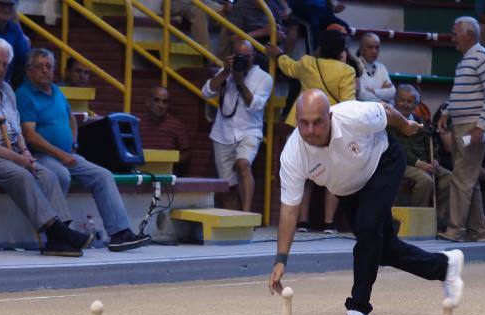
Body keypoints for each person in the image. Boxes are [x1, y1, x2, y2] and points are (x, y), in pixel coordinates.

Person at [268, 89, 465, 315]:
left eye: (317, 122)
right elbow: (289, 209)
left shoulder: (352, 115)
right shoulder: (293, 155)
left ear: (329, 116)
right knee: (382, 249)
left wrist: (405, 127)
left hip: (383, 162)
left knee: (368, 229)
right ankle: (446, 266)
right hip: (349, 190)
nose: (310, 131)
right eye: (303, 123)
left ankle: (358, 308)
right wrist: (281, 259)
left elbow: (386, 111)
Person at [0, 38, 92, 257]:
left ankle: (61, 235)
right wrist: (18, 159)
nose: (0, 69)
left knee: (47, 175)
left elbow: (17, 130)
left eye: (5, 64)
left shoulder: (7, 90)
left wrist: (24, 151)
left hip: (10, 152)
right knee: (22, 175)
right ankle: (59, 233)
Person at [16, 49, 150, 252]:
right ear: (28, 70)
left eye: (49, 66)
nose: (45, 71)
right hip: (40, 155)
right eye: (39, 66)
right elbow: (29, 135)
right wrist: (62, 155)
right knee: (60, 175)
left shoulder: (56, 91)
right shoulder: (24, 95)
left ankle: (120, 233)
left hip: (67, 154)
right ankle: (61, 236)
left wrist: (74, 144)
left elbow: (71, 119)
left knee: (103, 175)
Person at [266, 29, 355, 232]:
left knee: (303, 174)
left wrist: (277, 54)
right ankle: (328, 223)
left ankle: (302, 221)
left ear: (321, 47)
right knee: (334, 176)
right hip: (330, 129)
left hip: (302, 126)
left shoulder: (307, 63)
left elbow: (288, 66)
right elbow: (348, 103)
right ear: (342, 51)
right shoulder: (346, 71)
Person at [437, 17, 485, 243]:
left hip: (473, 127)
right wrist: (446, 114)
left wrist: (480, 127)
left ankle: (456, 230)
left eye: (455, 34)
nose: (453, 39)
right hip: (461, 126)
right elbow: (458, 94)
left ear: (469, 35)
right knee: (468, 180)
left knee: (461, 178)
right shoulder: (464, 61)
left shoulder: (484, 57)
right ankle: (479, 232)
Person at [201, 40, 272, 212]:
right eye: (239, 56)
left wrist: (240, 83)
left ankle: (246, 215)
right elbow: (206, 92)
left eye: (246, 57)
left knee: (243, 164)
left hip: (249, 131)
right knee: (228, 187)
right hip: (222, 133)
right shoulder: (226, 72)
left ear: (253, 56)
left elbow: (255, 105)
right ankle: (234, 222)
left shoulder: (264, 78)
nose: (243, 60)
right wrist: (226, 71)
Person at [389, 84, 453, 208]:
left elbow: (432, 143)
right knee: (425, 180)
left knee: (450, 178)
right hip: (401, 163)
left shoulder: (420, 122)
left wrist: (434, 160)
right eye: (401, 100)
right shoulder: (391, 120)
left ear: (416, 104)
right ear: (395, 101)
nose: (405, 104)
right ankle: (418, 220)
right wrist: (418, 163)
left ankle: (437, 221)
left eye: (409, 101)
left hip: (424, 163)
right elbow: (396, 148)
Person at [136, 86, 191, 176]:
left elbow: (186, 153)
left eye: (164, 102)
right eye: (156, 100)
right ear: (148, 102)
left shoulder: (177, 125)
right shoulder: (137, 124)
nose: (161, 105)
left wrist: (170, 162)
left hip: (167, 177)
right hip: (140, 174)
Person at [356, 32, 395, 104]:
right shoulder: (355, 65)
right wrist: (382, 93)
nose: (374, 51)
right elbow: (362, 95)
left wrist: (373, 91)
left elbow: (392, 92)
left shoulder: (381, 67)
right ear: (361, 49)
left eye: (377, 48)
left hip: (382, 109)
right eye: (370, 47)